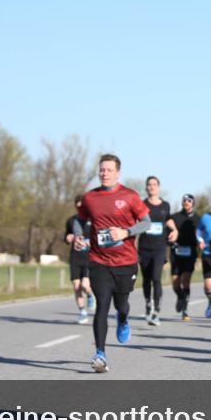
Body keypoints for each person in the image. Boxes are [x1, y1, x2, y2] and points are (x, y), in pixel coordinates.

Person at [73, 154, 151, 373]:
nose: (104, 173)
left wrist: (126, 231)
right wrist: (79, 236)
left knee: (121, 305)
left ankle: (124, 320)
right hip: (99, 261)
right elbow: (79, 220)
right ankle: (100, 354)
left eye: (108, 170)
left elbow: (146, 222)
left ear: (118, 173)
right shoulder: (90, 198)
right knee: (102, 305)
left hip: (126, 262)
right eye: (101, 170)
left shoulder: (130, 196)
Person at [138, 176, 178, 326]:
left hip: (160, 248)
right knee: (147, 280)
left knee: (156, 278)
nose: (152, 187)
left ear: (158, 187)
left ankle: (156, 312)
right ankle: (148, 303)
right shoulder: (141, 205)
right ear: (146, 188)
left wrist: (174, 230)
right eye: (149, 184)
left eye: (154, 184)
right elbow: (135, 222)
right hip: (144, 248)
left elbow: (168, 220)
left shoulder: (165, 205)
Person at [64, 195, 95, 324]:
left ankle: (90, 295)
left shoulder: (93, 220)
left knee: (84, 285)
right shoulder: (71, 221)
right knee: (76, 286)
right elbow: (66, 236)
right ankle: (82, 311)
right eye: (77, 206)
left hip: (89, 257)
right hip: (75, 257)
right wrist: (68, 238)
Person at [169, 194, 199, 321]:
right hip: (176, 253)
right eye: (184, 200)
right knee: (175, 283)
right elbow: (168, 232)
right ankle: (180, 296)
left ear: (193, 203)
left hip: (190, 253)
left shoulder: (198, 219)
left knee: (185, 280)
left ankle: (185, 310)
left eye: (189, 200)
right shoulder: (175, 217)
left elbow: (202, 235)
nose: (186, 202)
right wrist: (170, 239)